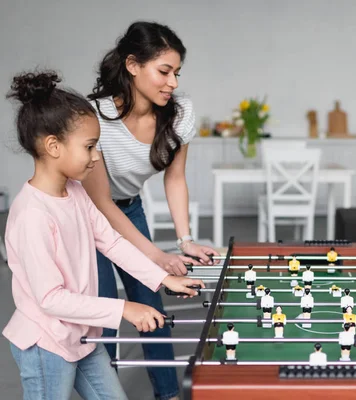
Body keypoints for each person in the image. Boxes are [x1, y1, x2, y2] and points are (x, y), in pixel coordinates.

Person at [2, 71, 202, 399]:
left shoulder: (77, 193)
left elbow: (110, 241)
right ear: (53, 146)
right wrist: (124, 309)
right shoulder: (31, 215)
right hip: (46, 344)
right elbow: (50, 299)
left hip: (83, 338)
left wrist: (162, 279)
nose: (97, 157)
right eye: (90, 147)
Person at [83, 21, 219, 400]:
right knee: (109, 312)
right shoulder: (94, 117)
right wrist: (155, 254)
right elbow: (101, 204)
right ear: (132, 65)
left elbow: (174, 178)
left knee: (151, 303)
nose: (173, 82)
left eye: (176, 73)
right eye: (164, 71)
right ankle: (104, 394)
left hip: (130, 208)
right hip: (89, 216)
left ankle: (168, 393)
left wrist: (185, 240)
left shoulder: (179, 114)